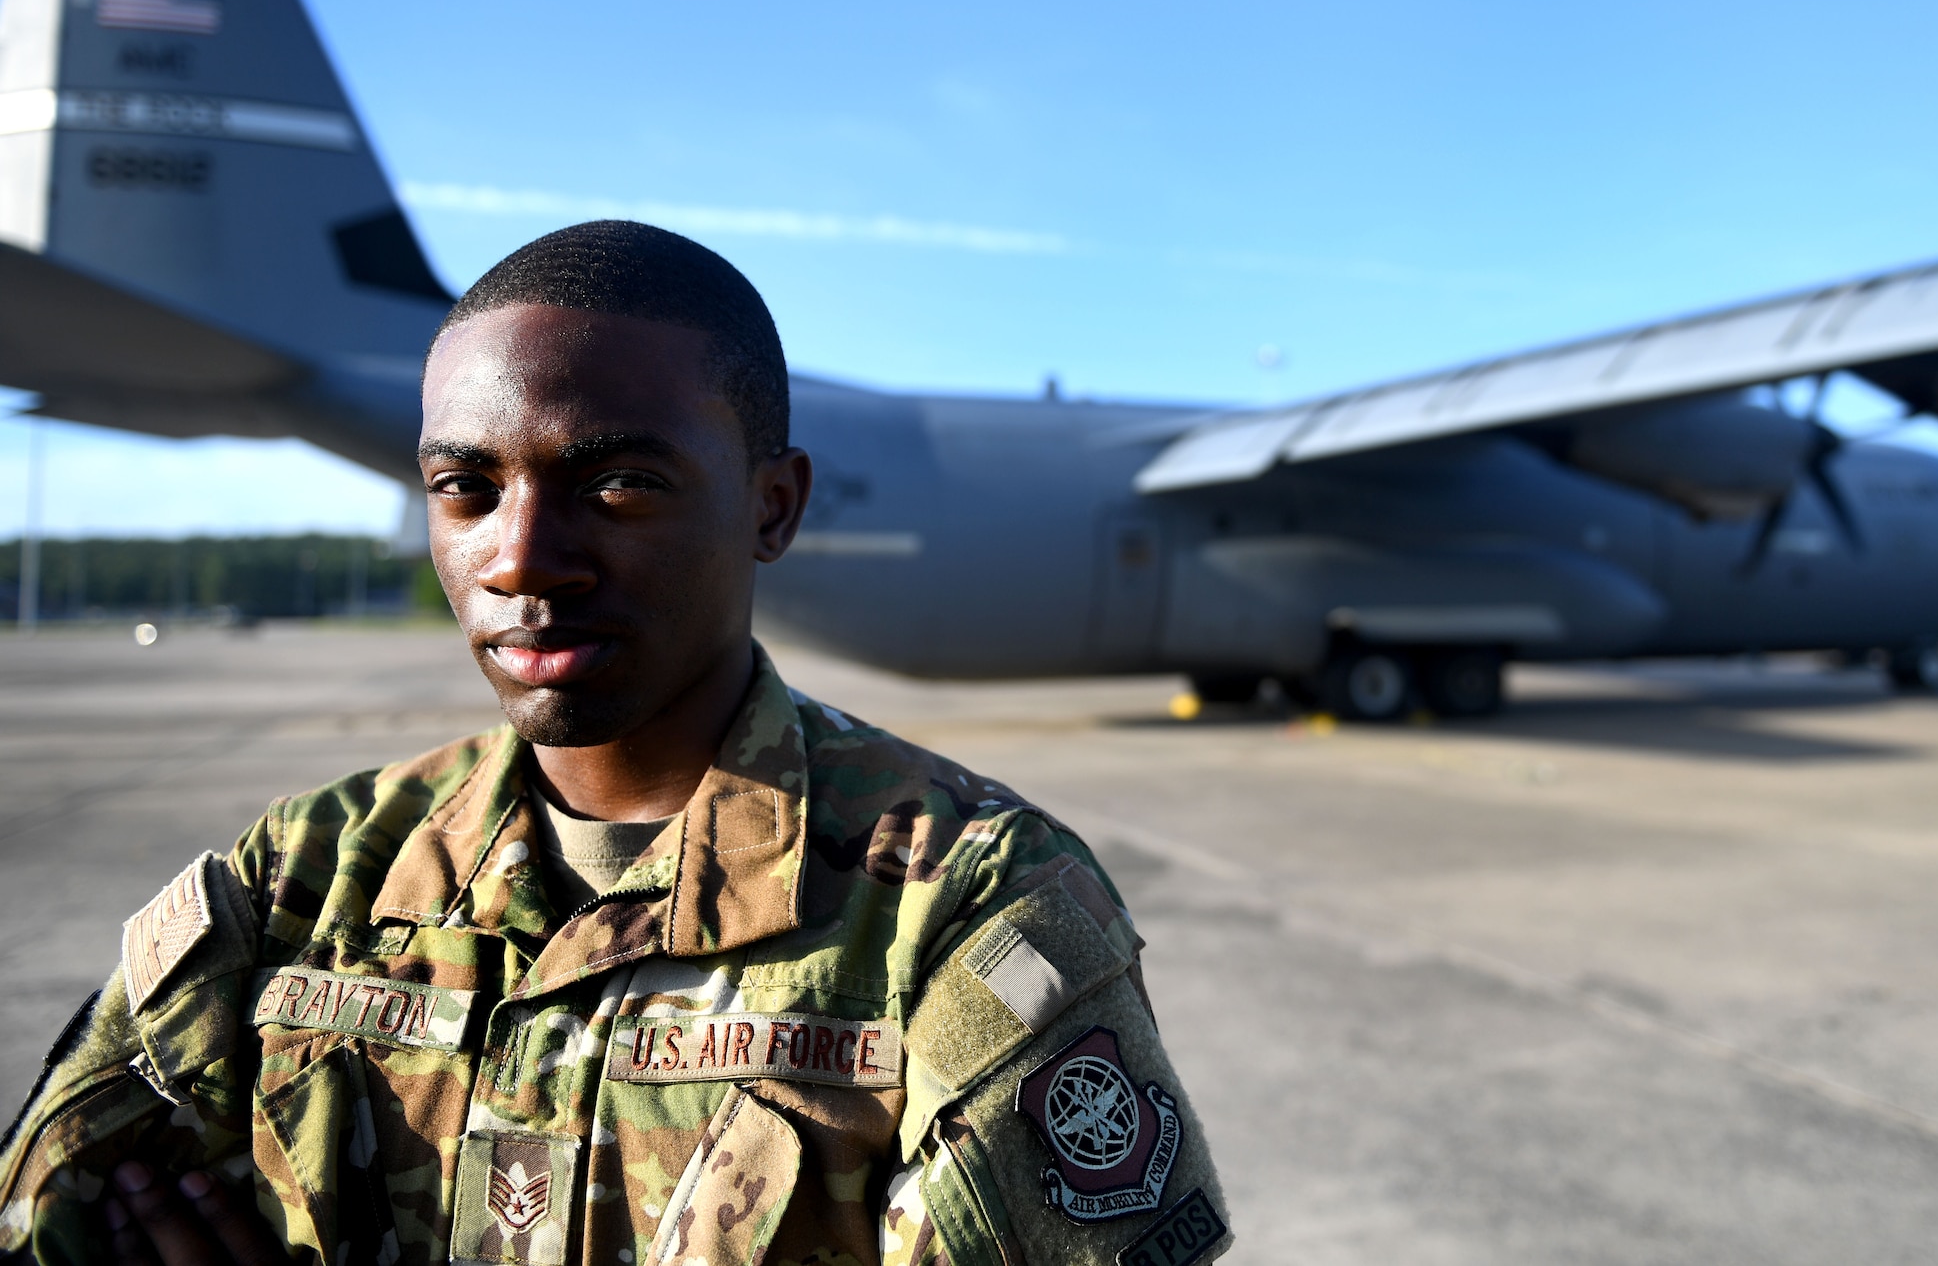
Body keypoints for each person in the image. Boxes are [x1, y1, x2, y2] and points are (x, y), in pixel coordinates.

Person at [0, 222, 1231, 1266]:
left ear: (772, 506)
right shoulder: (307, 874)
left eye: (621, 484)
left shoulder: (963, 907)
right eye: (465, 489)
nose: (520, 559)